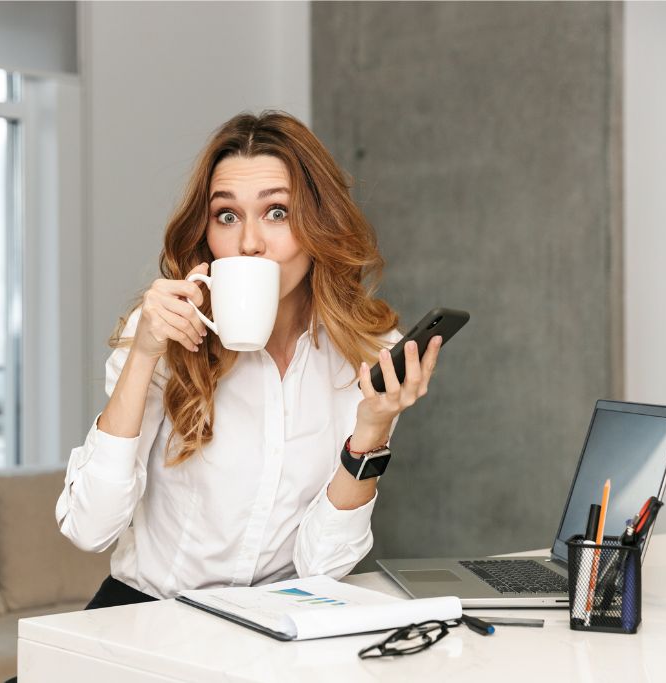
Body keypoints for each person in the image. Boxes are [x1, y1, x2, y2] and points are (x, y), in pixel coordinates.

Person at [58, 110, 442, 609]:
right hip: (146, 614)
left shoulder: (366, 349)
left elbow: (322, 566)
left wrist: (371, 432)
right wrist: (144, 355)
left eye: (277, 212)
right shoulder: (165, 332)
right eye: (228, 215)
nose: (249, 243)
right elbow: (89, 529)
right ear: (208, 232)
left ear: (318, 222)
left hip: (273, 624)